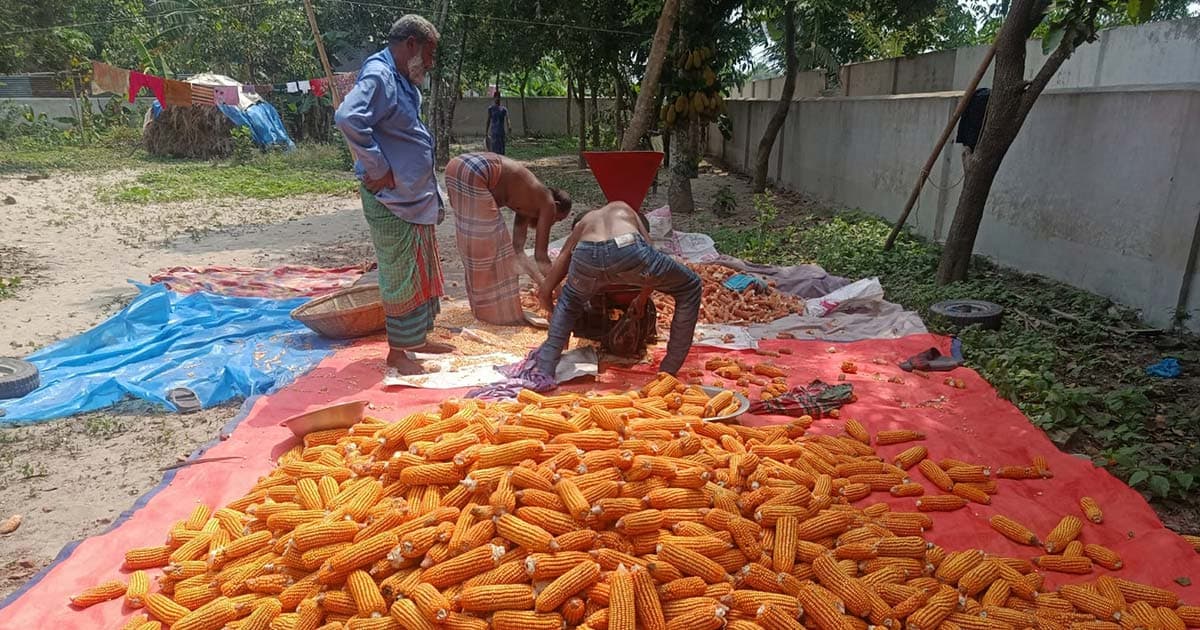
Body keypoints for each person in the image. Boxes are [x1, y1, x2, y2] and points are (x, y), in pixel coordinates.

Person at [334, 14, 450, 375]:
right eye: (428, 54)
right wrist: (378, 167)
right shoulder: (380, 75)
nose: (430, 64)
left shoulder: (401, 78)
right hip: (392, 199)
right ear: (411, 44)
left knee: (420, 270)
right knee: (401, 274)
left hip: (413, 197)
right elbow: (349, 117)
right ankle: (398, 352)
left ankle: (416, 339)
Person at [535, 201, 702, 377]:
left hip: (586, 254)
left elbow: (548, 287)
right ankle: (668, 370)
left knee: (570, 302)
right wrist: (643, 297)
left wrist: (558, 321)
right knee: (690, 286)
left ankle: (544, 369)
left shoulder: (585, 223)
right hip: (628, 248)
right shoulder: (625, 209)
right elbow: (650, 251)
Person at [445, 152, 572, 325]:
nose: (552, 223)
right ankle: (499, 314)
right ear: (556, 206)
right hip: (475, 170)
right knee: (494, 247)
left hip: (458, 166)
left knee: (478, 245)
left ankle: (485, 311)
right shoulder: (547, 203)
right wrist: (557, 292)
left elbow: (518, 251)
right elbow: (541, 256)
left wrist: (542, 284)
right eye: (557, 219)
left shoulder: (527, 203)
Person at [485, 90, 510, 155]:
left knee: (501, 149)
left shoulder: (504, 109)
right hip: (493, 132)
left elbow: (508, 119)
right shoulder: (491, 108)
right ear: (494, 98)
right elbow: (488, 120)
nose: (497, 98)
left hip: (501, 132)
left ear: (500, 98)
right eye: (496, 97)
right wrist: (486, 132)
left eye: (498, 97)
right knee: (494, 149)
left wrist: (509, 127)